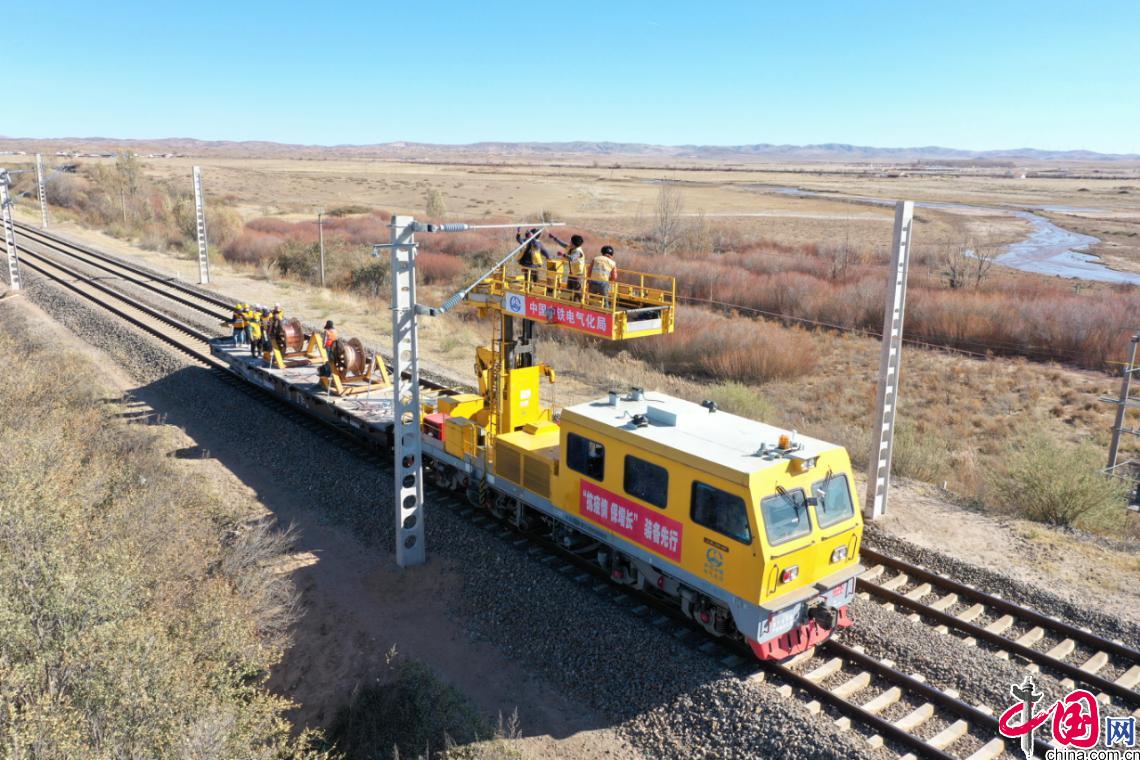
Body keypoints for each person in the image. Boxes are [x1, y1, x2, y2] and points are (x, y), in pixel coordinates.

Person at [549, 233, 586, 297]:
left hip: (577, 274)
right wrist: (554, 238)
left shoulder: (578, 251)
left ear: (574, 243)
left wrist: (563, 254)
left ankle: (579, 300)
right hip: (572, 273)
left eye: (571, 241)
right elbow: (563, 244)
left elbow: (571, 258)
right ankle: (569, 299)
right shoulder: (572, 247)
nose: (570, 242)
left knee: (577, 290)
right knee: (569, 289)